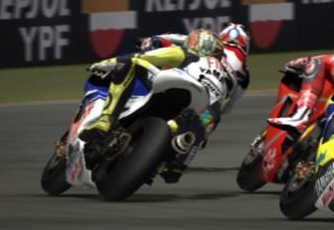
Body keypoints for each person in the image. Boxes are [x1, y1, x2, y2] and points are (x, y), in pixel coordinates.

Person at [80, 30, 226, 147]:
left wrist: (108, 63)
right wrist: (199, 137)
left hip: (169, 85)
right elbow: (214, 113)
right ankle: (173, 163)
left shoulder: (187, 54)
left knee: (130, 62)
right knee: (203, 123)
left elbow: (142, 56)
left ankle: (105, 120)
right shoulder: (222, 77)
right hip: (198, 106)